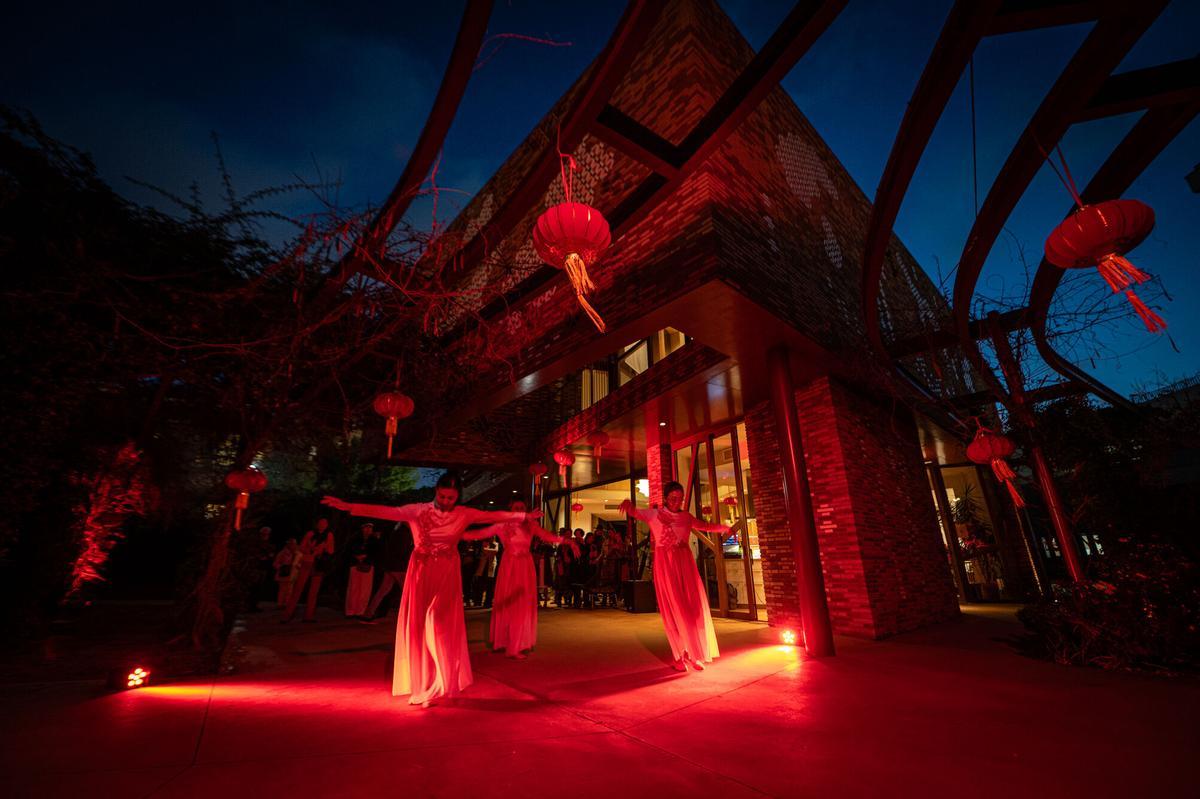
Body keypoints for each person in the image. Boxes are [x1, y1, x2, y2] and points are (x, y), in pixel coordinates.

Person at [322, 471, 540, 706]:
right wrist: (349, 506)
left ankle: (442, 680)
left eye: (451, 498)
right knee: (419, 626)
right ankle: (423, 683)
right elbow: (387, 511)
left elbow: (491, 515)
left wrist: (523, 515)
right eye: (443, 496)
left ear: (457, 497)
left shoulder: (464, 513)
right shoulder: (418, 510)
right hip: (422, 571)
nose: (446, 502)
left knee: (438, 623)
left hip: (447, 573)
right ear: (436, 491)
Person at [618, 481, 733, 672]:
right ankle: (679, 655)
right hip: (666, 566)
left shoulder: (686, 517)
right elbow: (636, 512)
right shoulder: (655, 514)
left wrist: (722, 528)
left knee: (693, 610)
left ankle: (694, 653)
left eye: (679, 499)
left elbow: (705, 526)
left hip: (685, 564)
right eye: (673, 498)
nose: (676, 502)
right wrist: (628, 504)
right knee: (675, 612)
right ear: (665, 498)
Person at [462, 499, 575, 659]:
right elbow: (481, 533)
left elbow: (547, 536)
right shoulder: (502, 525)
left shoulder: (531, 526)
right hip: (509, 565)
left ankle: (518, 643)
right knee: (507, 601)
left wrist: (566, 541)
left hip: (525, 565)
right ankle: (503, 641)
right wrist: (457, 534)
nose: (520, 510)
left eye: (522, 508)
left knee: (522, 604)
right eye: (516, 508)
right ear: (511, 509)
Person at [283, 517, 335, 622]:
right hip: (307, 562)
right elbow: (301, 547)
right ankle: (287, 615)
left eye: (324, 523)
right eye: (320, 523)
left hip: (318, 564)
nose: (322, 525)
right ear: (317, 524)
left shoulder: (329, 535)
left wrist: (323, 548)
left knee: (313, 591)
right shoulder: (310, 534)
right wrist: (311, 549)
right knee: (298, 588)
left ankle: (308, 616)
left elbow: (331, 550)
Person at [362, 521, 414, 621]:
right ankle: (412, 616)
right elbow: (402, 551)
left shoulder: (396, 530)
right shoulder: (404, 533)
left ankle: (368, 613)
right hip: (399, 567)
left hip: (391, 566)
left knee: (383, 591)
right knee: (408, 592)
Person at [344, 523, 377, 618]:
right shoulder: (355, 538)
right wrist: (357, 556)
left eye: (370, 527)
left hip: (368, 565)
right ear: (362, 528)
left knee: (365, 589)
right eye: (366, 527)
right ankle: (350, 611)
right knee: (354, 588)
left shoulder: (374, 540)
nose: (368, 529)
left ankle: (360, 611)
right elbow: (349, 550)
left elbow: (376, 552)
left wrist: (366, 557)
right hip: (355, 564)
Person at [273, 538, 299, 607]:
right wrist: (283, 567)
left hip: (292, 575)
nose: (293, 546)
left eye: (294, 544)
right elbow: (275, 563)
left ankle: (288, 604)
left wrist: (297, 566)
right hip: (283, 575)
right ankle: (280, 603)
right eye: (291, 544)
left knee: (290, 591)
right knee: (283, 590)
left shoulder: (297, 553)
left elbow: (299, 563)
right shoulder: (282, 553)